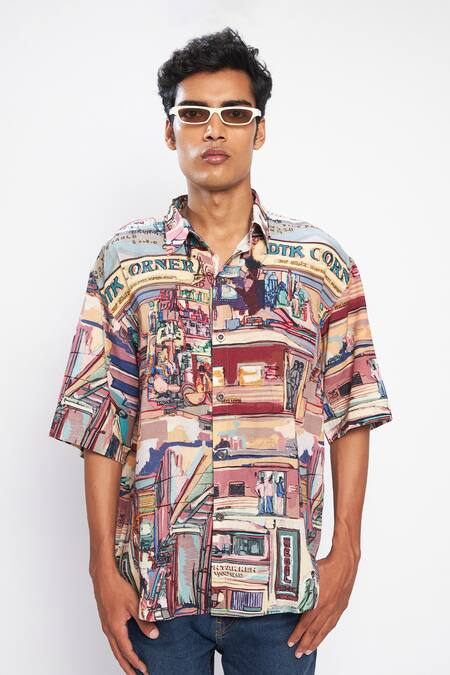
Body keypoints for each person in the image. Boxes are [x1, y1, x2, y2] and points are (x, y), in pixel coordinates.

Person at [48, 26, 393, 675]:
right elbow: (99, 418)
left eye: (234, 113)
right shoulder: (125, 263)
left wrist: (347, 549)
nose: (214, 130)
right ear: (169, 130)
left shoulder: (320, 266)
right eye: (194, 114)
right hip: (156, 586)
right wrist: (100, 567)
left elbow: (355, 409)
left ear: (259, 131)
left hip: (280, 590)